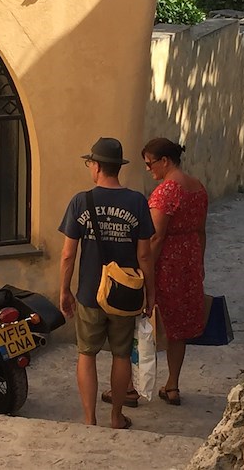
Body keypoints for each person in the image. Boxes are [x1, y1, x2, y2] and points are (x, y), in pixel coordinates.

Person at [58, 137, 156, 429]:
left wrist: (64, 290)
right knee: (122, 354)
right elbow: (145, 255)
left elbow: (67, 254)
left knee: (86, 354)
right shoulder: (137, 201)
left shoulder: (81, 201)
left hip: (90, 293)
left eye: (90, 163)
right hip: (125, 295)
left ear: (97, 166)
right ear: (118, 167)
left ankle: (90, 419)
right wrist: (151, 295)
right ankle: (116, 416)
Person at [142, 137, 208, 405]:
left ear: (164, 161)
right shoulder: (198, 187)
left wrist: (146, 268)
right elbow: (202, 230)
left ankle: (136, 386)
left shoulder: (167, 191)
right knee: (178, 326)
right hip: (189, 259)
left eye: (149, 163)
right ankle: (172, 385)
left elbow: (156, 236)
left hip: (167, 262)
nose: (148, 169)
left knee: (148, 322)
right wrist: (199, 263)